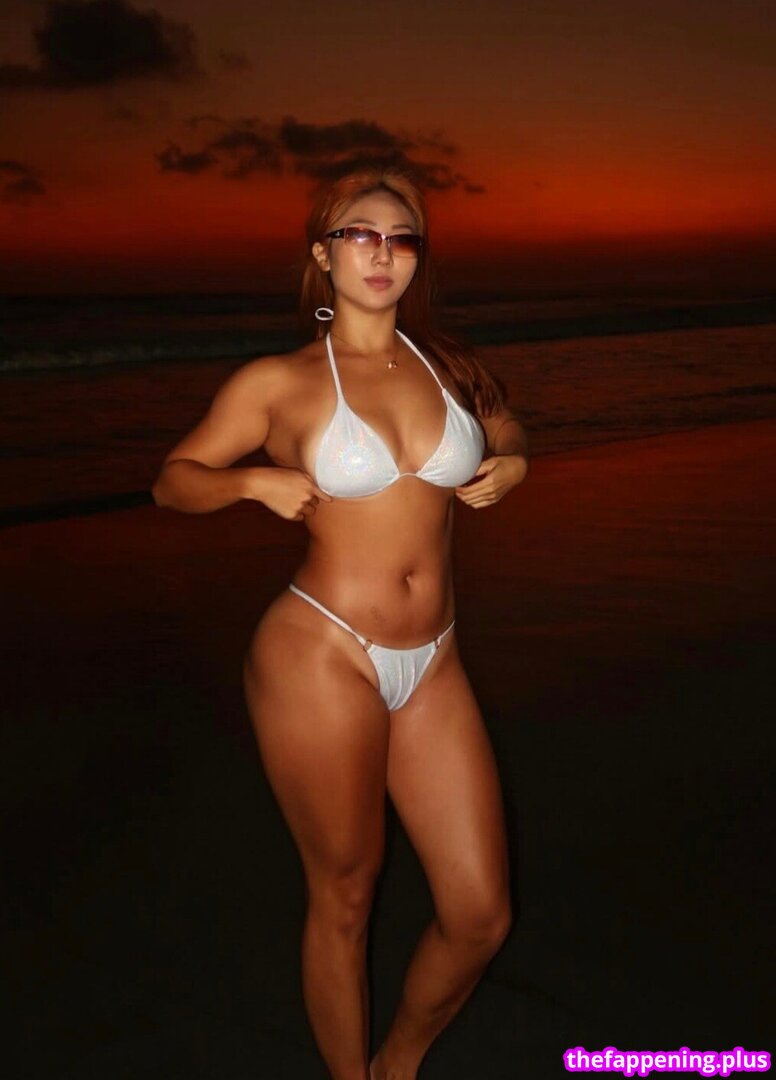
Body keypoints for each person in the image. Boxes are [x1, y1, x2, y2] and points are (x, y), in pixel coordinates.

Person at [152, 166, 528, 1080]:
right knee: (347, 893)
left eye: (402, 238)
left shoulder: (448, 368)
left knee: (481, 914)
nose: (382, 253)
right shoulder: (278, 383)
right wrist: (251, 481)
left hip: (434, 659)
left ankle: (397, 1064)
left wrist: (515, 462)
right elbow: (174, 481)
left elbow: (507, 427)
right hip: (322, 652)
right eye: (361, 234)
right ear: (323, 255)